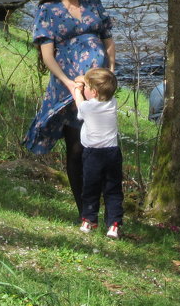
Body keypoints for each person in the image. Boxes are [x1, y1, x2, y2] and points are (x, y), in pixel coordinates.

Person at [24, 0, 115, 217]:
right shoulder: (48, 11)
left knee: (102, 145)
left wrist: (110, 72)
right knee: (77, 148)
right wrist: (68, 83)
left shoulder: (92, 2)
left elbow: (108, 39)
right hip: (68, 89)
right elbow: (47, 55)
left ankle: (109, 209)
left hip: (97, 87)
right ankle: (86, 212)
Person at [70, 67, 124, 239]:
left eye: (86, 87)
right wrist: (85, 80)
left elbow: (78, 101)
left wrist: (77, 89)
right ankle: (114, 225)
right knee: (113, 190)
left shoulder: (87, 108)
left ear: (92, 92)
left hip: (93, 155)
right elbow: (101, 86)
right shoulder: (112, 103)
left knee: (90, 188)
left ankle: (89, 219)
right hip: (113, 154)